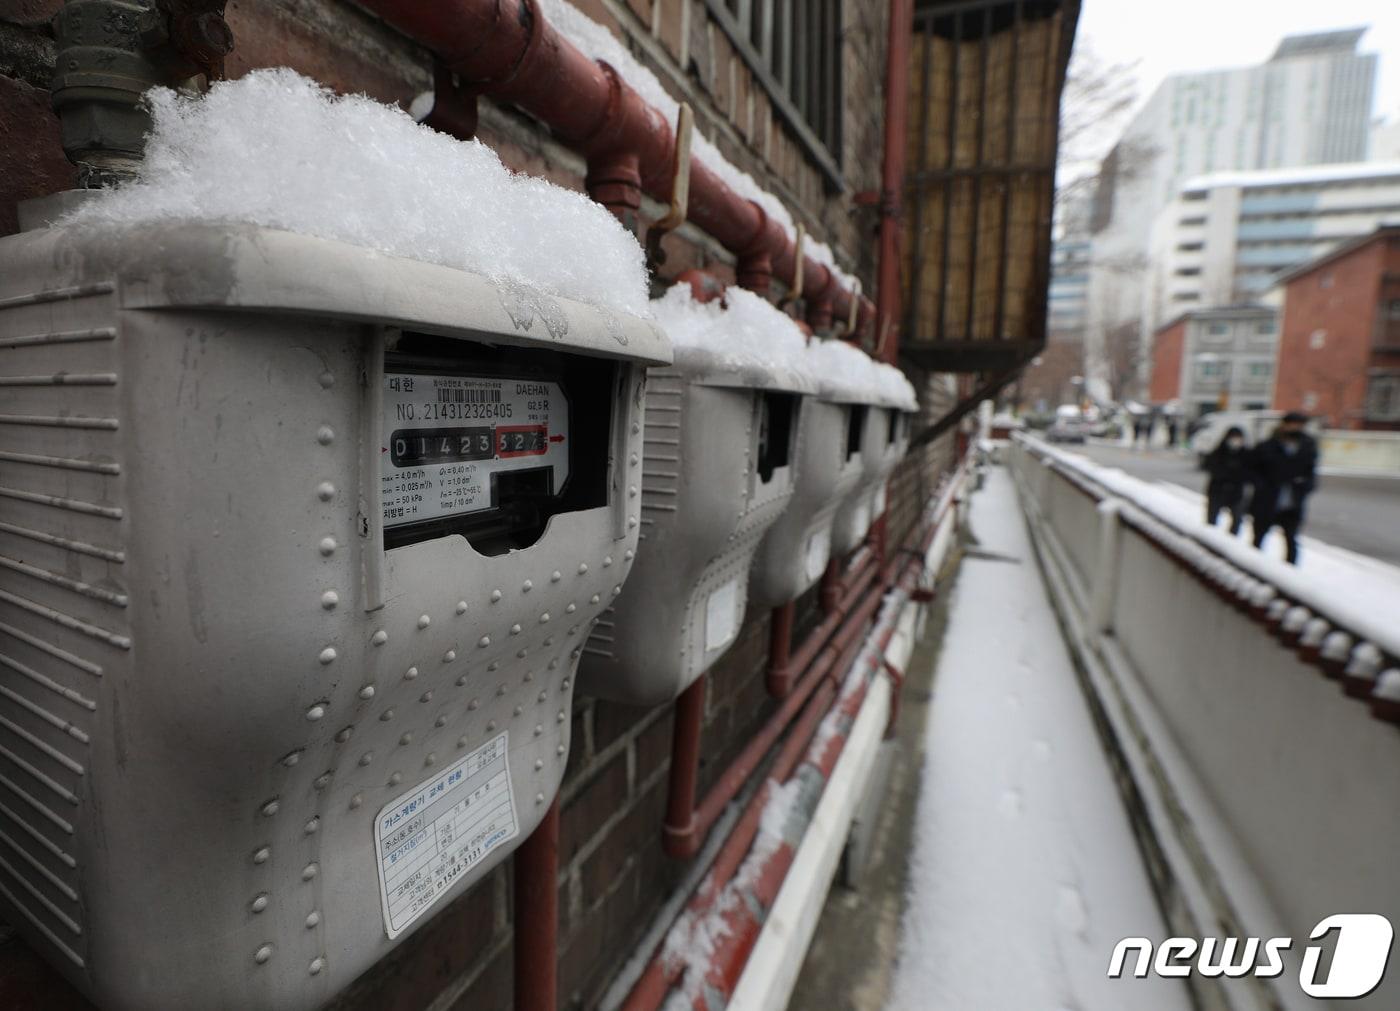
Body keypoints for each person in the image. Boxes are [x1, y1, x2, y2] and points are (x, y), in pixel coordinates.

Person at [1248, 412, 1318, 565]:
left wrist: (1304, 486)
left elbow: (1311, 473)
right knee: (1259, 538)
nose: (1296, 428)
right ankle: (1253, 567)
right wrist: (1262, 486)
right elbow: (1252, 470)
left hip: (1292, 504)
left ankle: (1289, 572)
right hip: (1267, 501)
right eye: (1293, 424)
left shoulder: (1307, 447)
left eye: (1299, 425)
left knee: (1291, 540)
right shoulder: (1267, 446)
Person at [1203, 426, 1250, 535]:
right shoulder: (1218, 452)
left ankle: (1231, 541)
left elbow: (1249, 472)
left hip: (1236, 492)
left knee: (1237, 519)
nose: (1235, 441)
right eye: (1233, 437)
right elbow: (1210, 466)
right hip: (1217, 490)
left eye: (1238, 438)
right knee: (1212, 519)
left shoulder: (1246, 454)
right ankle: (1210, 539)